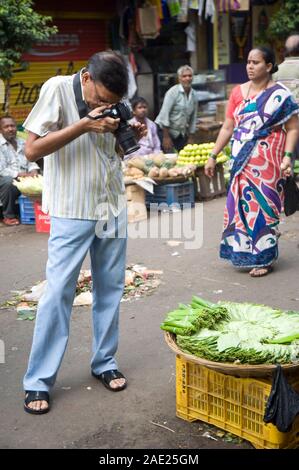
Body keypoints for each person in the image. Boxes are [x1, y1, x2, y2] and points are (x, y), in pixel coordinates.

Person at [22, 51, 145, 415]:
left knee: (110, 288)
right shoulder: (57, 89)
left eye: (114, 103)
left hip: (110, 206)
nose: (107, 106)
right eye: (102, 100)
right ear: (87, 78)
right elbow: (31, 150)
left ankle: (104, 362)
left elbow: (114, 154)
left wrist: (127, 135)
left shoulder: (112, 102)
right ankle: (38, 381)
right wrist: (84, 124)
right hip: (72, 209)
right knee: (58, 292)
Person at [205, 47, 299, 277]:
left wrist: (288, 157)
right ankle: (243, 252)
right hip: (240, 158)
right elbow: (228, 127)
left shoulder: (281, 95)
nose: (250, 66)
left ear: (268, 66)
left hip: (269, 160)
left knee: (264, 206)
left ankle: (264, 257)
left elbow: (293, 127)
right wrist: (213, 155)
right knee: (240, 205)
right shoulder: (238, 92)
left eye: (255, 62)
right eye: (248, 62)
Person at [0, 116, 39, 226]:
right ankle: (8, 216)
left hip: (23, 179)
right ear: (0, 130)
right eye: (6, 127)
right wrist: (21, 175)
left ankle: (40, 212)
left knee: (41, 177)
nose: (10, 129)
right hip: (5, 179)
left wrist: (34, 170)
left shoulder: (22, 142)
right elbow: (1, 170)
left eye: (12, 126)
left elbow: (30, 160)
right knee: (8, 182)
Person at [155, 65, 198, 152]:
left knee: (183, 156)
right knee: (169, 157)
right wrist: (166, 137)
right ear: (179, 78)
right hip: (165, 131)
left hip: (180, 132)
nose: (187, 78)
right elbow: (164, 114)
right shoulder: (173, 92)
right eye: (184, 76)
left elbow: (193, 118)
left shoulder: (194, 94)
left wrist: (191, 137)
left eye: (190, 76)